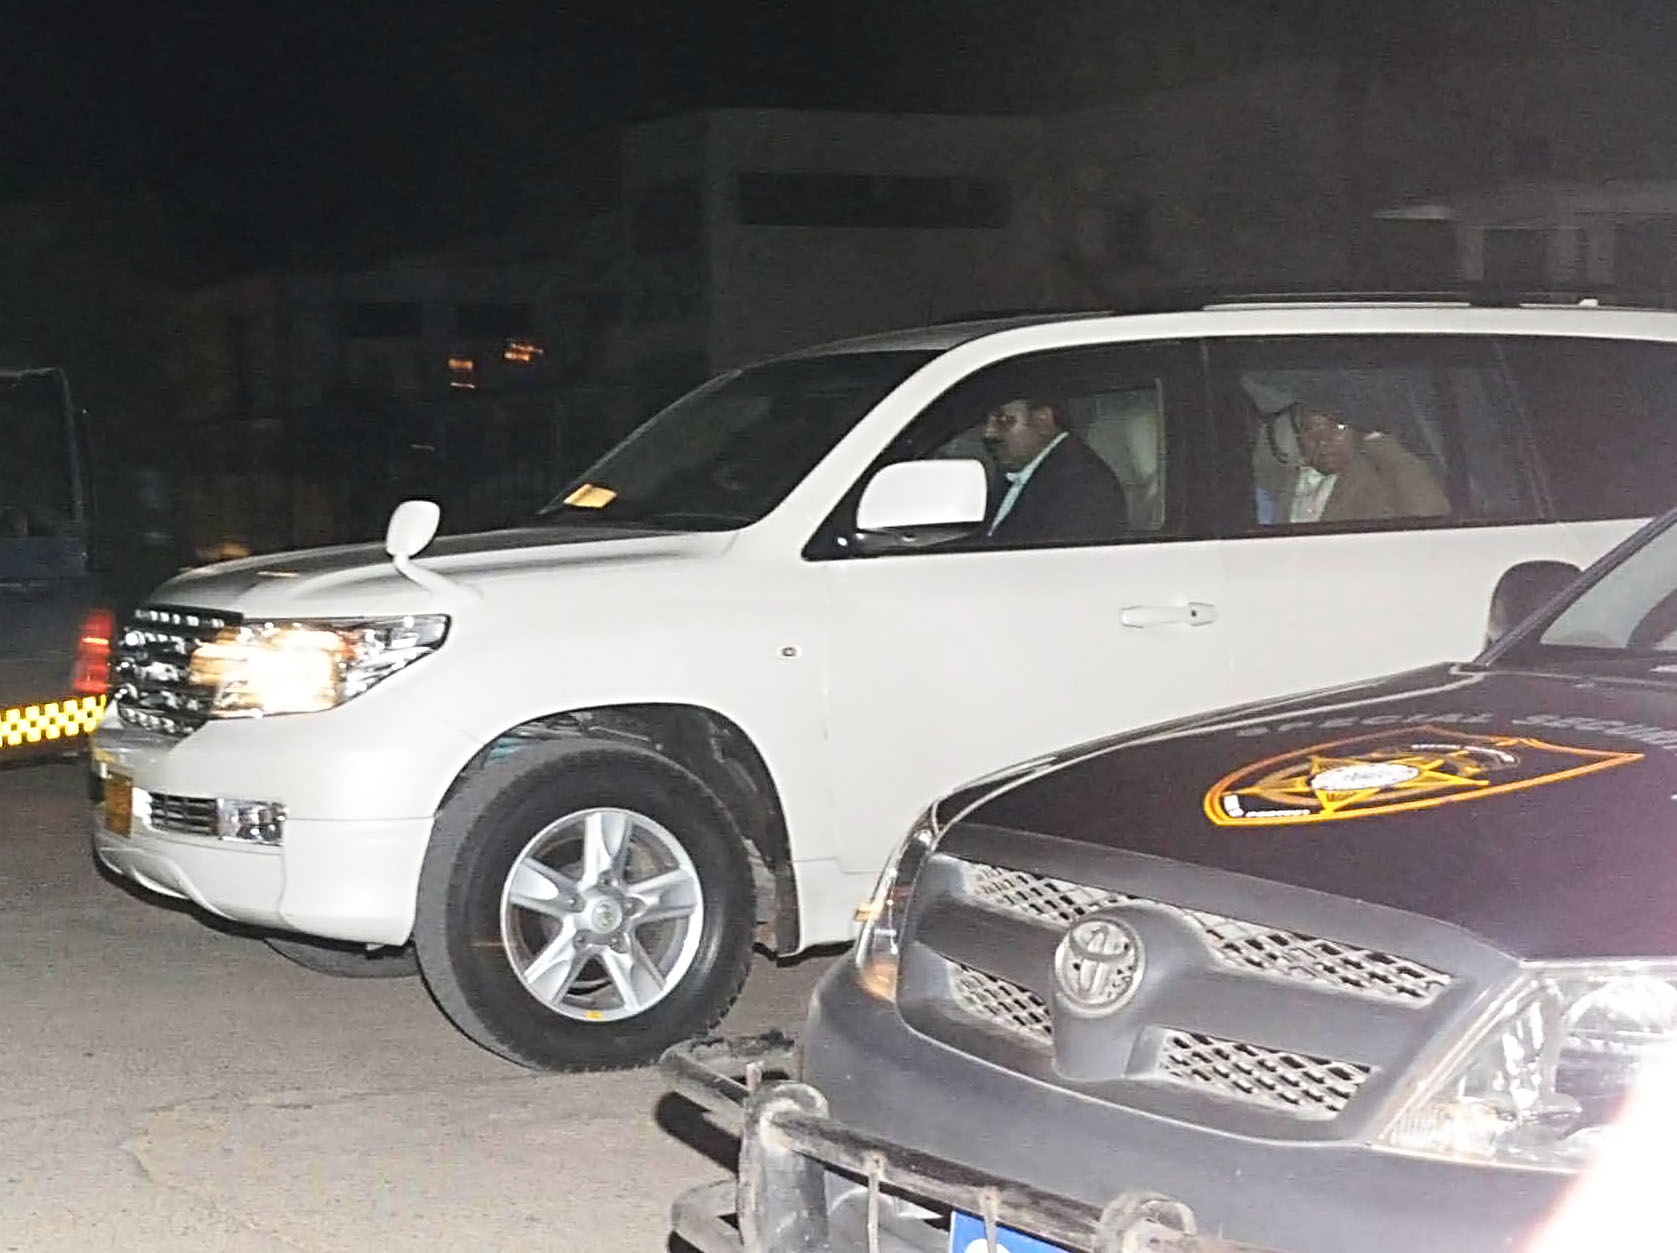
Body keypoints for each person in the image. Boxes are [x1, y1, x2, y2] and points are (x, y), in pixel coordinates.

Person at [979, 397, 1128, 544]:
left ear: (1042, 421)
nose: (989, 433)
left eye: (1003, 420)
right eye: (986, 422)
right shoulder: (1021, 473)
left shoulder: (1081, 483)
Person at [1276, 404, 1449, 525]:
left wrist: (1375, 440)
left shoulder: (1381, 473)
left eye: (1337, 427)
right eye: (1310, 430)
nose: (1322, 440)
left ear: (1357, 430)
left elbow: (1430, 514)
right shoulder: (1290, 483)